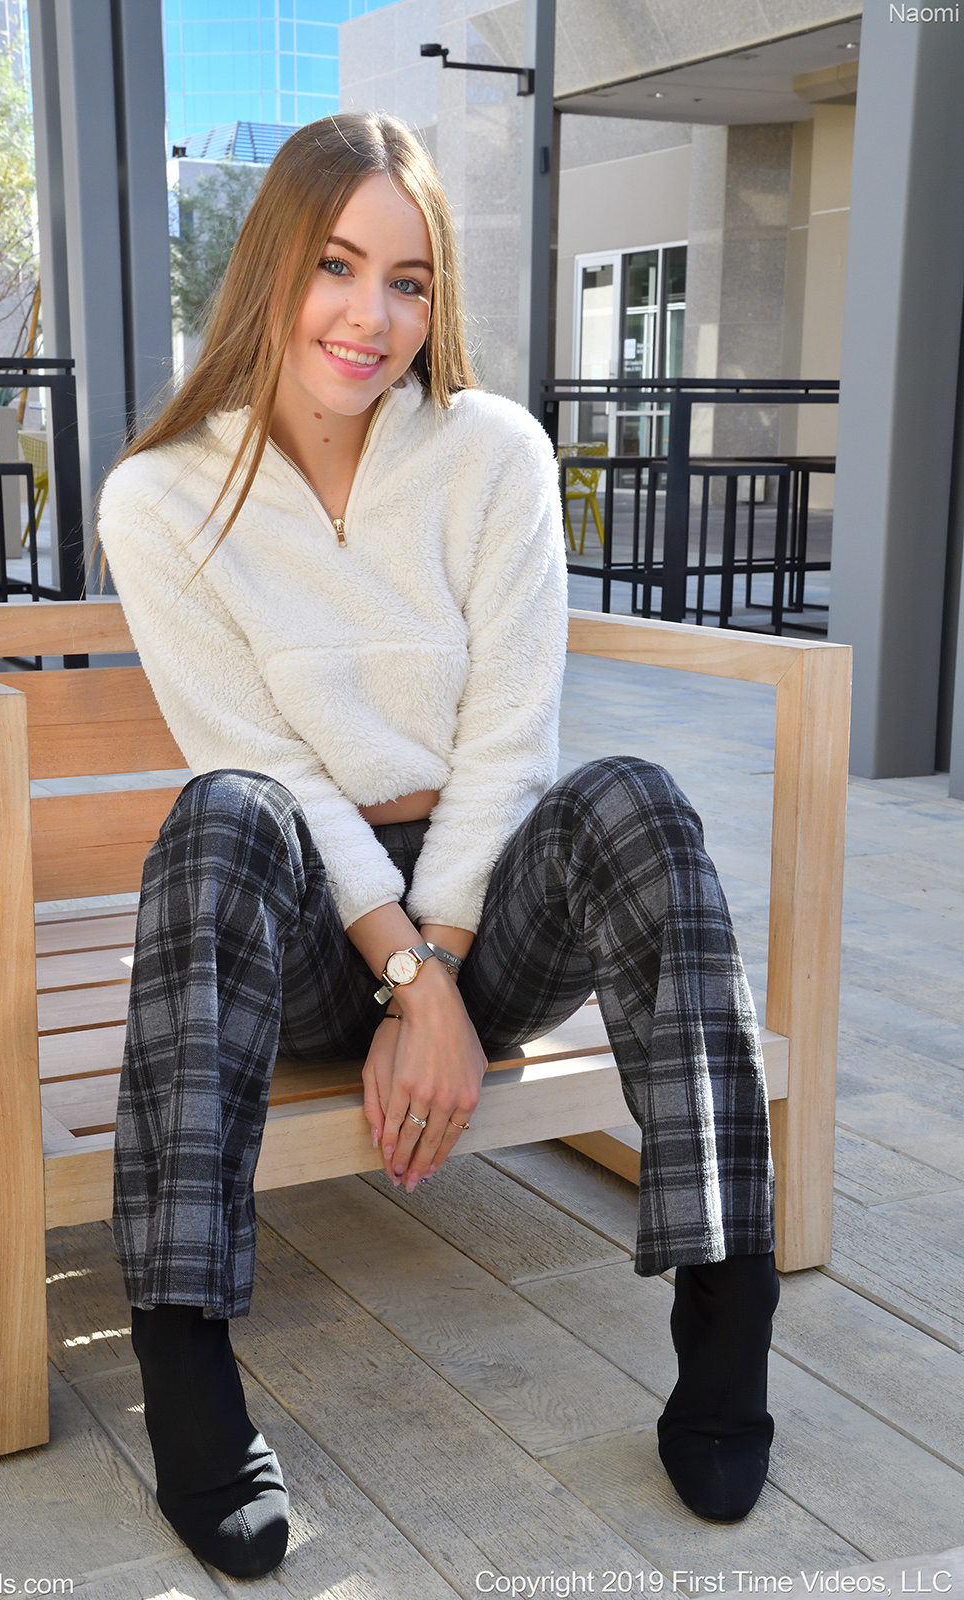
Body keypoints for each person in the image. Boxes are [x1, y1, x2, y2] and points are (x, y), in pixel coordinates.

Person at [96, 112, 779, 1581]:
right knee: (220, 816)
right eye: (336, 266)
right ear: (271, 265)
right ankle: (186, 1365)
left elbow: (510, 741)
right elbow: (269, 765)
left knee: (639, 802)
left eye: (408, 280)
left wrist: (446, 970)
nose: (372, 315)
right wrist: (405, 980)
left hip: (483, 918)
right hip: (302, 933)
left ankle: (729, 1311)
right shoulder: (161, 498)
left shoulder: (493, 456)